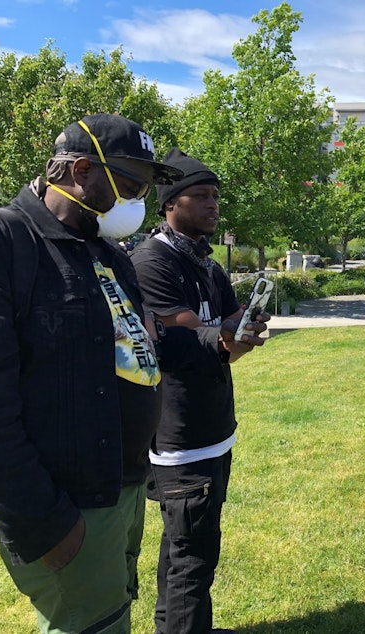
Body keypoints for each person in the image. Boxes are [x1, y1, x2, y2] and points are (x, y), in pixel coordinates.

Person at [0, 113, 264, 634]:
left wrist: (220, 339)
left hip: (121, 490)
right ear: (80, 171)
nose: (139, 200)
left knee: (116, 613)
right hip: (65, 506)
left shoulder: (107, 256)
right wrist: (41, 524)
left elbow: (142, 347)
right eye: (132, 184)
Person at [130, 148, 268, 634]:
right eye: (200, 195)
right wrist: (231, 336)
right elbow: (183, 340)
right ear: (170, 204)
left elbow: (227, 338)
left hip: (214, 429)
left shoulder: (208, 266)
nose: (213, 205)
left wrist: (242, 331)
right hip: (179, 436)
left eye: (216, 196)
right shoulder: (152, 263)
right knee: (193, 555)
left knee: (187, 547)